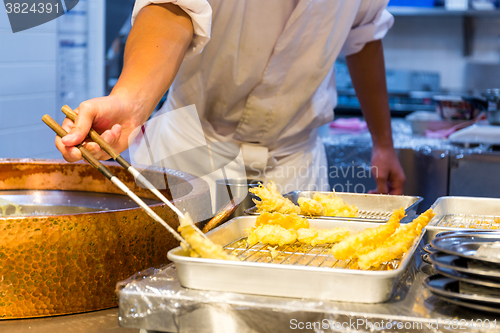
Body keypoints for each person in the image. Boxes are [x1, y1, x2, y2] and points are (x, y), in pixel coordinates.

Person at [55, 0, 406, 197]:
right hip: (194, 149)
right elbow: (173, 8)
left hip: (295, 161)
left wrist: (384, 144)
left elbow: (364, 34)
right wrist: (131, 101)